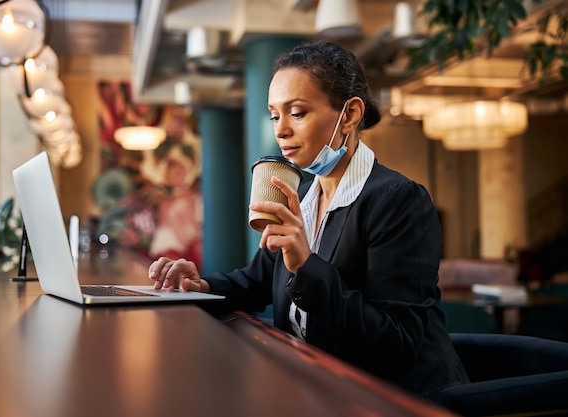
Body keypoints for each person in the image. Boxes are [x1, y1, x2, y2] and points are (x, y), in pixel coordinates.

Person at [148, 40, 470, 400]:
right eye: (275, 115)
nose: (280, 130)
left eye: (297, 113)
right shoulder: (300, 195)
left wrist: (306, 265)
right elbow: (255, 281)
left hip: (397, 400)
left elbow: (395, 342)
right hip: (319, 385)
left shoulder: (397, 200)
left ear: (349, 115)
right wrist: (201, 286)